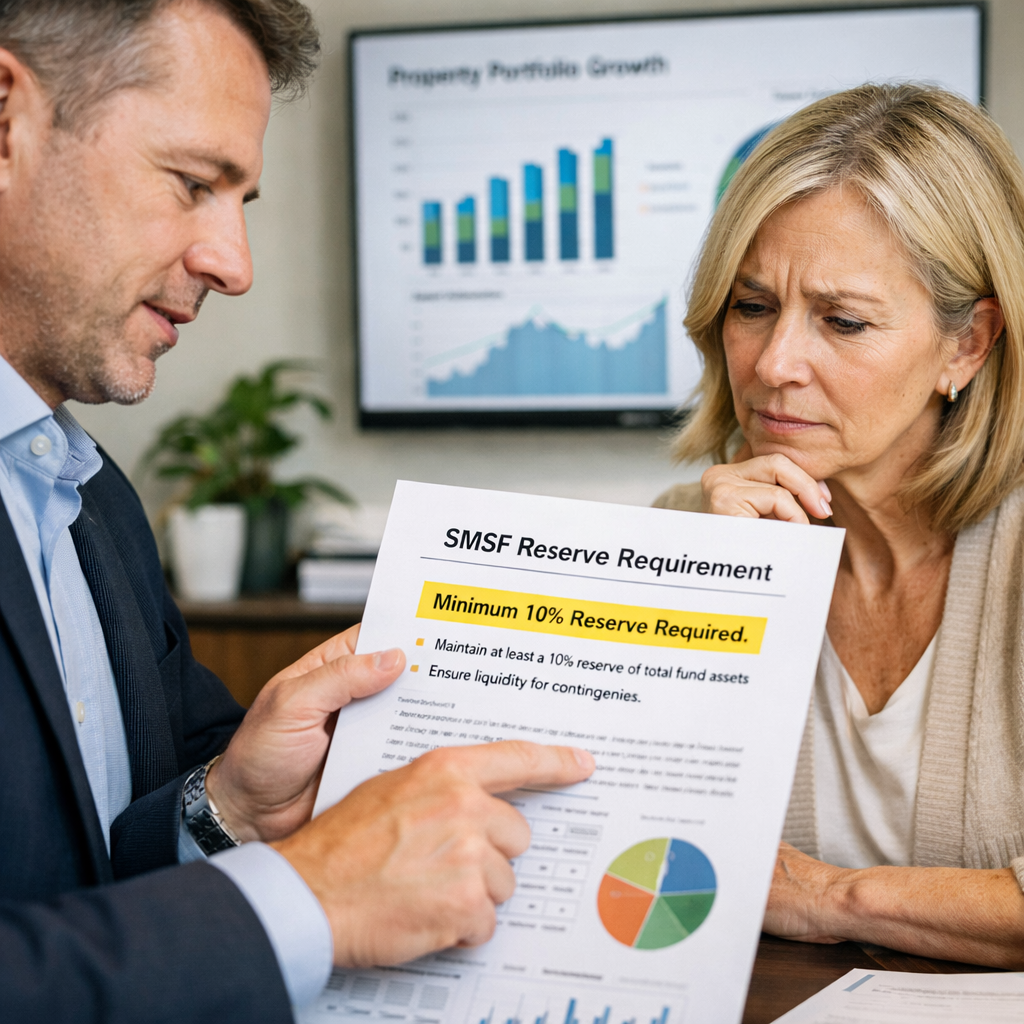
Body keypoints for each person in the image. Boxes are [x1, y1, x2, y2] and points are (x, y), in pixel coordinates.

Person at [0, 2, 594, 1021]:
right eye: (192, 184)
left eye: (242, 201)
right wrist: (309, 898)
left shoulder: (90, 500)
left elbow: (82, 881)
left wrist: (220, 804)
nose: (234, 263)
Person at [656, 82, 1024, 967]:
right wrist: (701, 604)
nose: (776, 363)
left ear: (966, 345)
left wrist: (824, 897)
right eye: (751, 307)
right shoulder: (694, 531)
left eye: (843, 321)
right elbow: (621, 856)